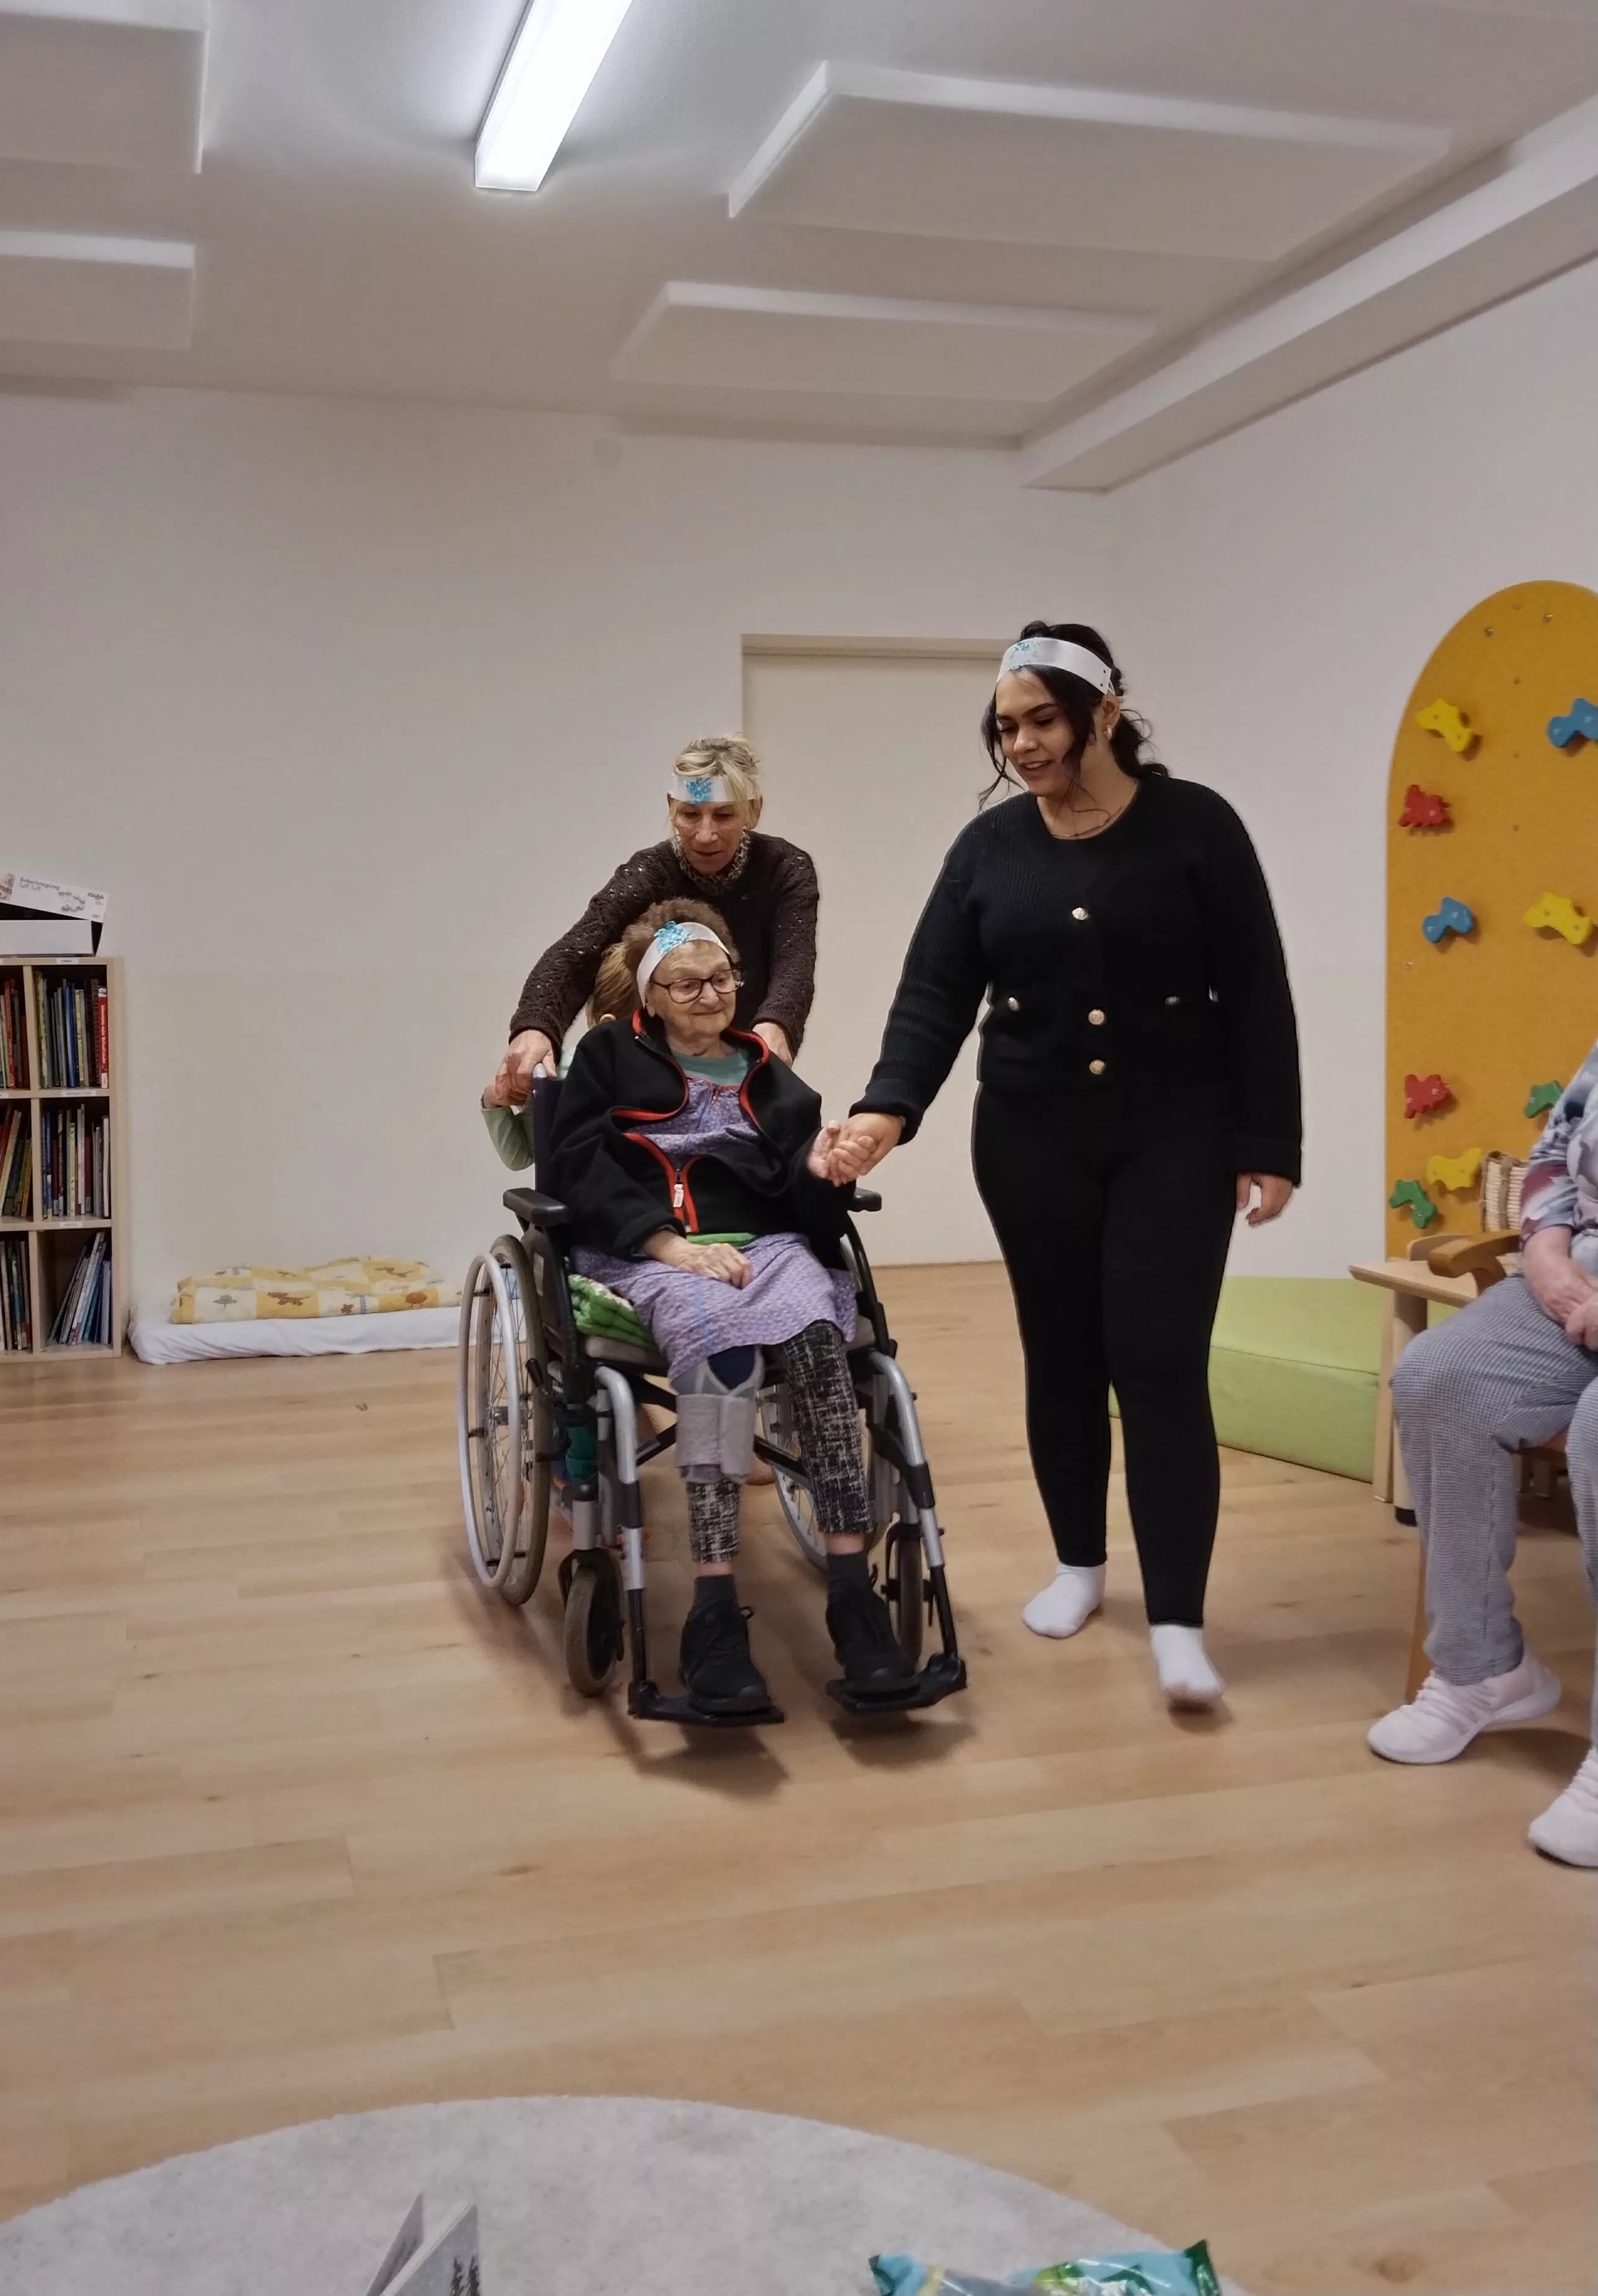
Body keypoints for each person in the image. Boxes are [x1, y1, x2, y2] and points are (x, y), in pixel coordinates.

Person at [824, 625, 1301, 1708]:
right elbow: (934, 996)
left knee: (1159, 1359)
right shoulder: (988, 849)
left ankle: (1177, 1619)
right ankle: (1079, 1566)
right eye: (1007, 727)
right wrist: (887, 1108)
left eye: (1043, 720)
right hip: (1030, 1137)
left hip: (1176, 1132)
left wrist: (1270, 1142)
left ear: (1104, 714)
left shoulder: (1198, 826)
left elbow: (1256, 989)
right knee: (1064, 1354)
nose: (1024, 744)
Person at [544, 897, 914, 1717]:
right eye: (687, 984)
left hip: (768, 1249)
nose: (710, 995)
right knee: (723, 1360)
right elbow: (573, 1165)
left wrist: (822, 1170)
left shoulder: (767, 1071)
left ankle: (853, 1596)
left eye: (721, 978)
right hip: (650, 1251)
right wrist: (668, 1246)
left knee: (821, 1347)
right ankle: (713, 1609)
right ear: (651, 997)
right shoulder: (608, 1055)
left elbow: (807, 1208)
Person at [1366, 1038, 1598, 1866]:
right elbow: (1555, 1151)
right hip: (1577, 1277)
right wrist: (1545, 1251)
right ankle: (1483, 1666)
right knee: (1440, 1378)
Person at [488, 734, 816, 1108]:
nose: (705, 834)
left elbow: (794, 966)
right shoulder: (650, 872)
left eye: (724, 815)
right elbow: (577, 952)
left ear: (753, 811)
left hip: (745, 1064)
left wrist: (776, 1026)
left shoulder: (785, 869)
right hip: (660, 1073)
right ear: (671, 807)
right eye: (690, 814)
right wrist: (535, 1026)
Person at [481, 942, 635, 1171]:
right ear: (607, 1028)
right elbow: (523, 1155)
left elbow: (521, 1156)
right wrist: (493, 1101)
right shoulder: (563, 1070)